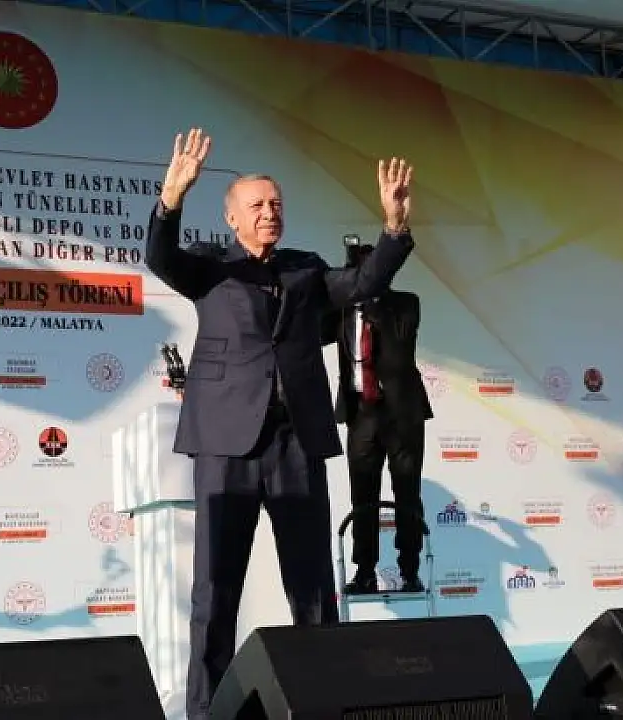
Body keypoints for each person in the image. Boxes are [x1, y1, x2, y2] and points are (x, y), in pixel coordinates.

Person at [146, 128, 415, 719]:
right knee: (215, 590)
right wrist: (171, 198)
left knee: (313, 586)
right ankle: (205, 711)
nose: (270, 212)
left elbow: (363, 284)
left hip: (296, 444)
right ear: (232, 218)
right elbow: (160, 258)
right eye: (257, 205)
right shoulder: (210, 268)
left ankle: (324, 701)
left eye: (276, 204)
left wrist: (393, 229)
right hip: (226, 446)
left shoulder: (305, 269)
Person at [325, 242, 433, 595]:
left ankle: (409, 570)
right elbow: (313, 329)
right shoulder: (342, 311)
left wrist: (370, 301)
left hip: (402, 414)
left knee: (407, 492)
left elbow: (400, 343)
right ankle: (365, 571)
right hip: (361, 414)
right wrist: (346, 291)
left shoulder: (406, 304)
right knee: (363, 495)